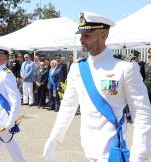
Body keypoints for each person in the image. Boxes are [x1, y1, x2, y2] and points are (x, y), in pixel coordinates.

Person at [43, 12, 151, 162]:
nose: (81, 39)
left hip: (112, 153)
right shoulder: (77, 68)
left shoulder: (125, 67)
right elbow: (68, 106)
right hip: (88, 150)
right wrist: (55, 137)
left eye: (86, 35)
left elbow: (141, 112)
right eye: (81, 35)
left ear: (103, 35)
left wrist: (139, 153)